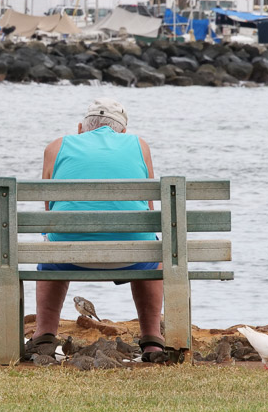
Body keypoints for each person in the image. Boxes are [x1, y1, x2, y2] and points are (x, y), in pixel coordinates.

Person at [26, 97, 166, 361]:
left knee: (51, 245)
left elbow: (49, 210)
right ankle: (152, 341)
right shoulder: (139, 145)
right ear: (123, 132)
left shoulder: (56, 147)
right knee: (151, 248)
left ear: (81, 128)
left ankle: (44, 336)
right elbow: (149, 209)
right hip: (132, 257)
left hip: (67, 257)